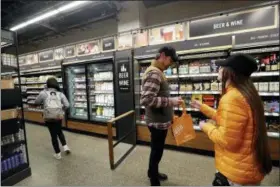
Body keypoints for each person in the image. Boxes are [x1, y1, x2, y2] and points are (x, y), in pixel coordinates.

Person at [191, 54, 272, 186]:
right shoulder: (247, 94)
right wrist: (203, 108)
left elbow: (226, 140)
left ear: (230, 73)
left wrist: (205, 126)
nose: (219, 69)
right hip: (247, 165)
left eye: (222, 67)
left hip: (235, 172)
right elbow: (232, 122)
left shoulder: (232, 98)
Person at [140, 46, 183, 186]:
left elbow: (158, 95)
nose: (170, 63)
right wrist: (172, 101)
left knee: (156, 149)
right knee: (157, 151)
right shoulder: (155, 73)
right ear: (163, 55)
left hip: (159, 120)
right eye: (170, 59)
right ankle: (154, 179)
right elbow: (146, 100)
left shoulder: (158, 71)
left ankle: (152, 172)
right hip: (157, 122)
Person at [35, 77, 71, 160]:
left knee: (53, 135)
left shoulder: (43, 93)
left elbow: (36, 102)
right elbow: (67, 105)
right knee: (59, 131)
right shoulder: (60, 94)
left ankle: (58, 153)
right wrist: (62, 111)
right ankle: (65, 147)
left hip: (48, 117)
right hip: (59, 116)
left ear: (47, 84)